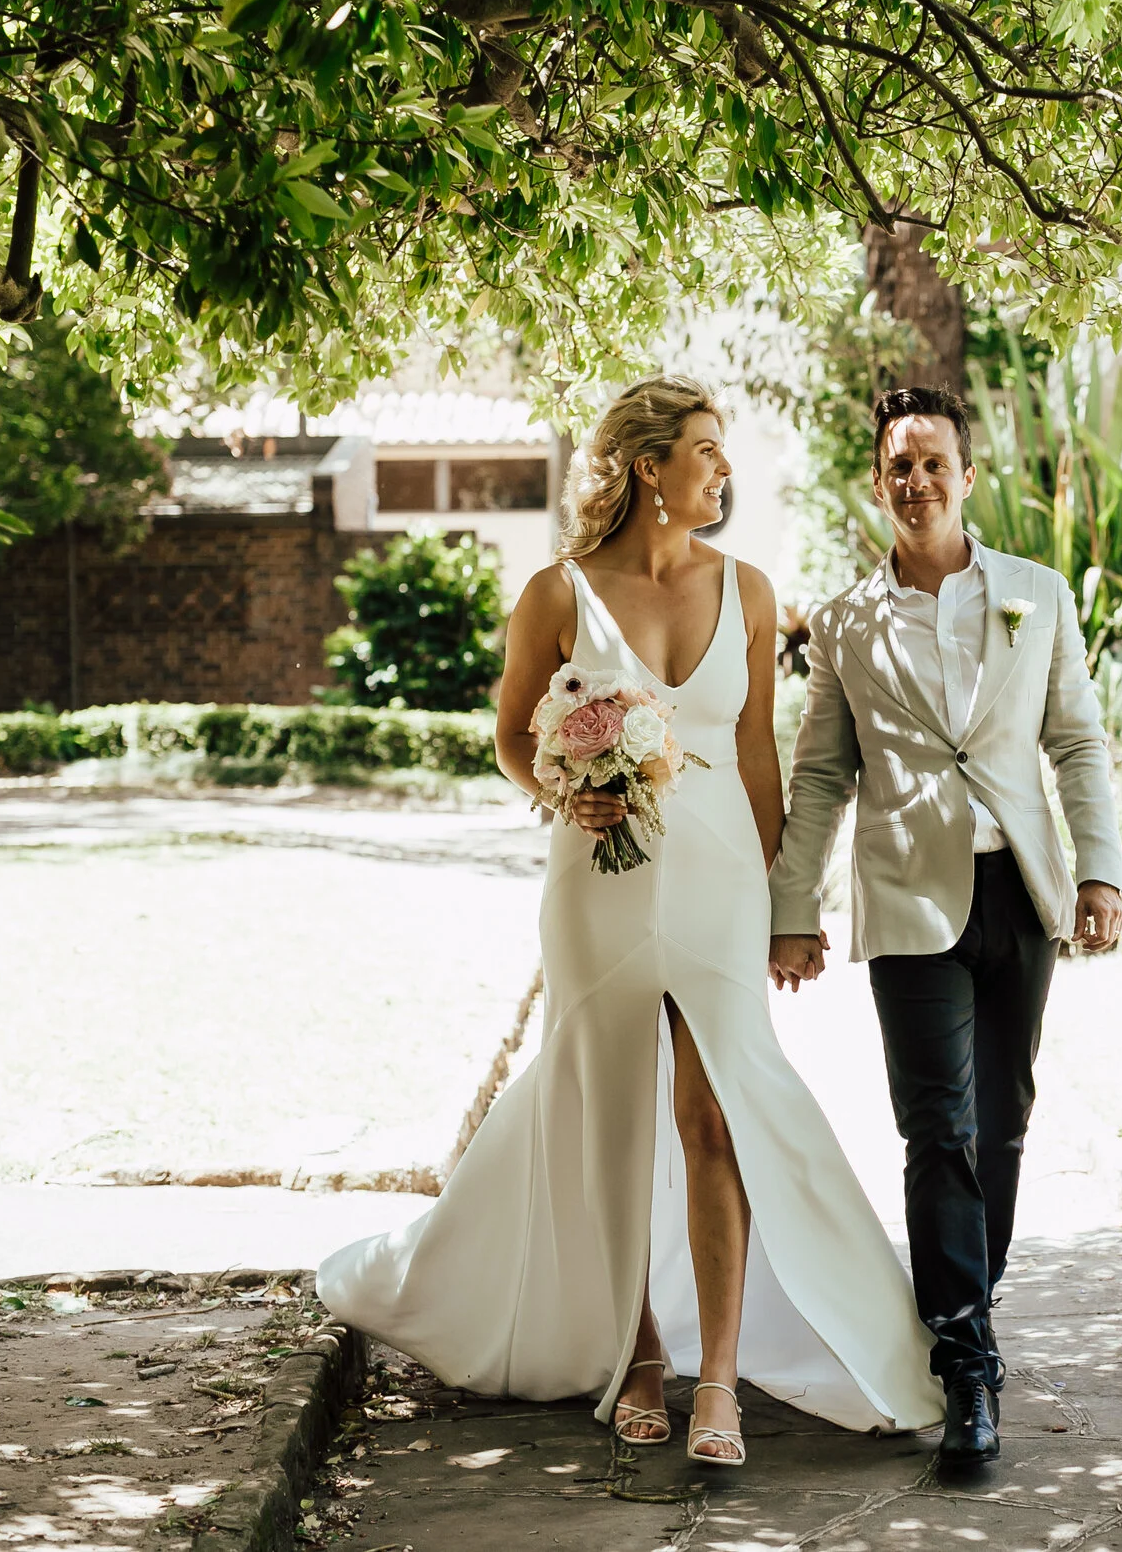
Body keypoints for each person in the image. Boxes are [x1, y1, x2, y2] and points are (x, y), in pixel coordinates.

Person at [319, 375, 942, 1466]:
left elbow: (758, 757)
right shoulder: (556, 593)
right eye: (704, 448)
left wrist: (786, 904)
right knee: (613, 1121)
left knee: (717, 1117)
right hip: (596, 883)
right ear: (649, 465)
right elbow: (512, 734)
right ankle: (638, 1352)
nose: (722, 467)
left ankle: (717, 1380)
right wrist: (565, 790)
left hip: (718, 884)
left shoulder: (747, 588)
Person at [769, 385, 1122, 1466]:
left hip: (1021, 889)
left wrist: (1098, 872)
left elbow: (1077, 742)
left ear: (967, 476)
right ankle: (966, 1360)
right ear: (877, 484)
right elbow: (823, 772)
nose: (917, 480)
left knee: (1004, 1119)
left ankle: (971, 1290)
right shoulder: (842, 622)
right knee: (937, 1126)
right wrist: (794, 910)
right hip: (908, 898)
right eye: (898, 466)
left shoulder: (1037, 594)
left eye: (935, 462)